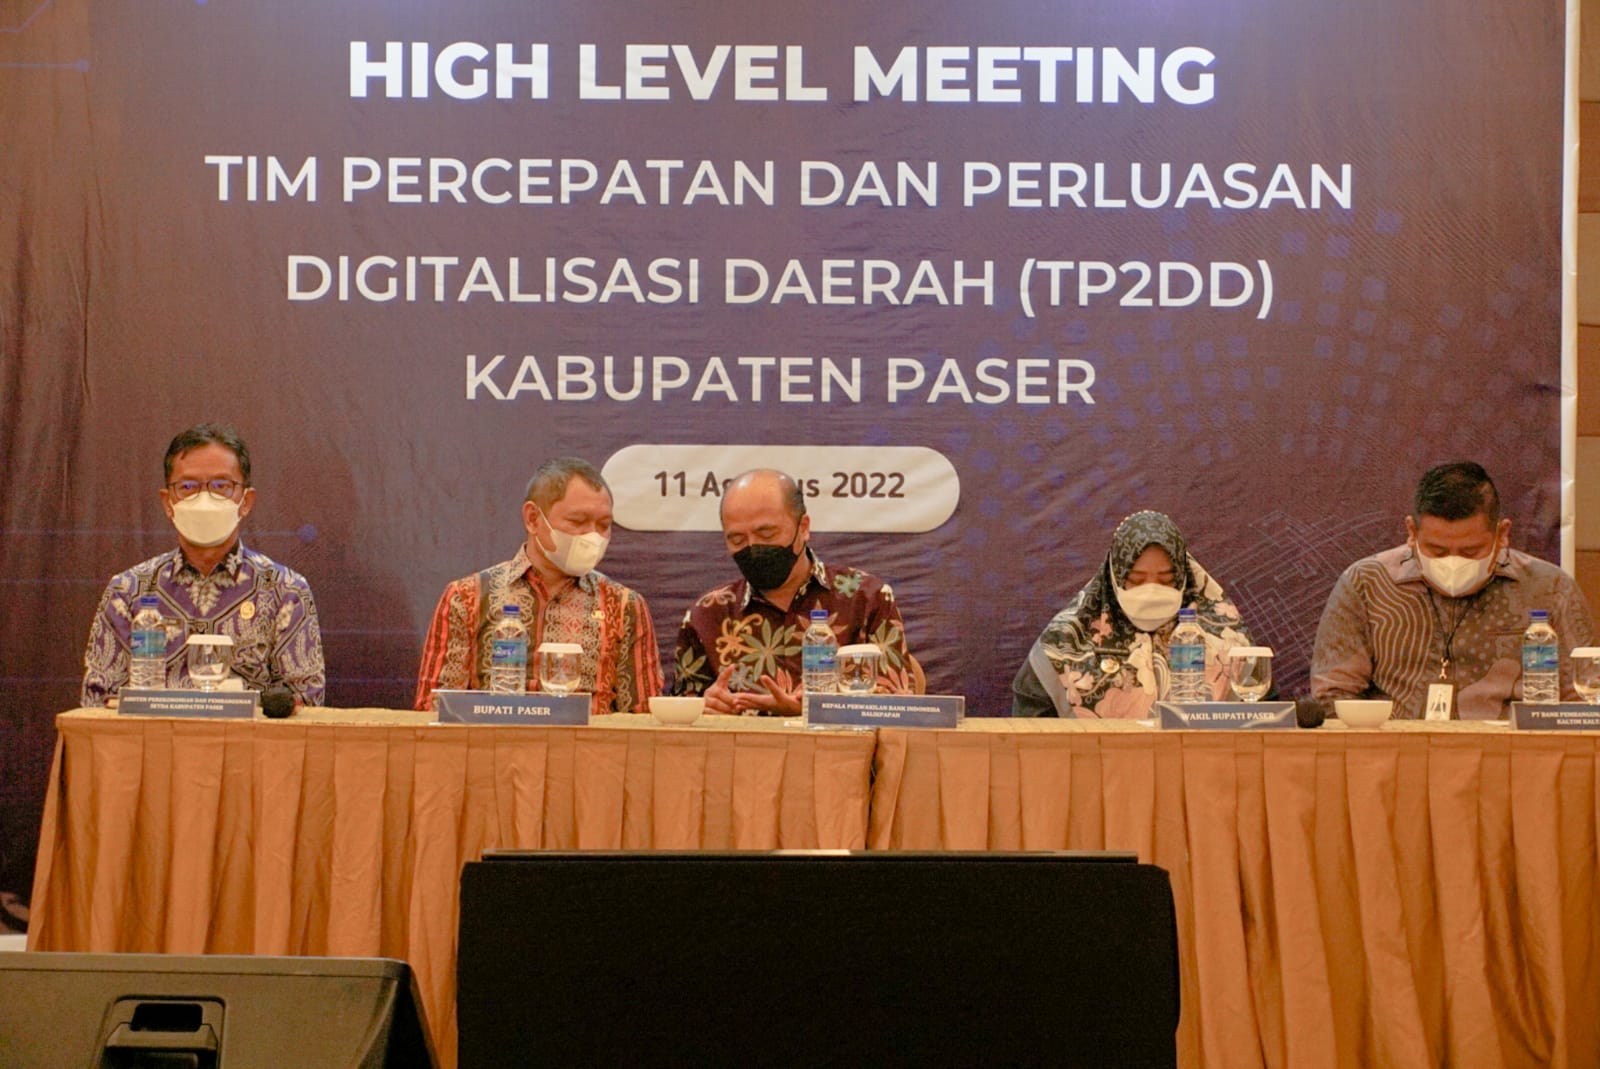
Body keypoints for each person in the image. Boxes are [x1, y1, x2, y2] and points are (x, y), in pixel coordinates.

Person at [1312, 461, 1597, 719]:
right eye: (1436, 551)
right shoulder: (1366, 583)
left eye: (1470, 552)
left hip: (1513, 752)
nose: (1453, 563)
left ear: (1502, 534)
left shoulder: (1549, 588)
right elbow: (1333, 697)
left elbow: (1584, 701)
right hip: (1395, 751)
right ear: (1411, 532)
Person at [81, 423, 326, 705]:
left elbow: (305, 704)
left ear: (246, 501)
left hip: (249, 734)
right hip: (152, 734)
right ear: (167, 502)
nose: (205, 499)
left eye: (222, 486)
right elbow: (97, 703)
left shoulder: (286, 591)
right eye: (188, 487)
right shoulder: (128, 592)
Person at [414, 457, 662, 715]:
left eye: (603, 525)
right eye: (578, 521)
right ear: (533, 519)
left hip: (590, 741)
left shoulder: (624, 605)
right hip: (494, 740)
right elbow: (434, 712)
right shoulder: (466, 597)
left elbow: (644, 721)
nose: (593, 536)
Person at [673, 468, 912, 715]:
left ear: (803, 527)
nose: (753, 547)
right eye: (737, 540)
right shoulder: (708, 614)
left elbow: (899, 706)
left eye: (767, 533)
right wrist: (704, 708)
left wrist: (815, 709)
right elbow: (678, 717)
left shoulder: (867, 599)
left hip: (839, 740)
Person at [1012, 511, 1253, 718]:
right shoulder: (1063, 645)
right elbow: (1029, 738)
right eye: (1136, 580)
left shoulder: (1227, 640)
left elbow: (1263, 727)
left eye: (1166, 580)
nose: (1151, 591)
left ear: (1184, 578)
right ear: (1113, 578)